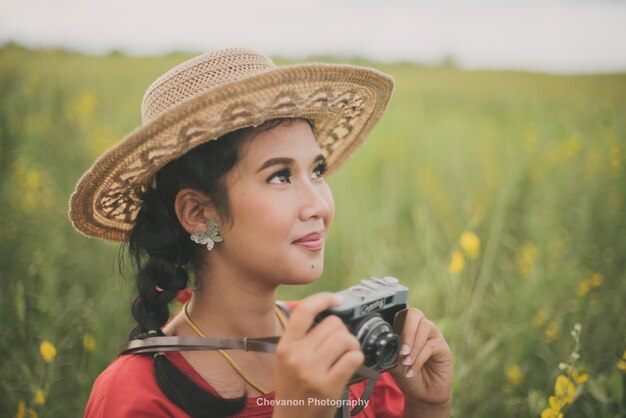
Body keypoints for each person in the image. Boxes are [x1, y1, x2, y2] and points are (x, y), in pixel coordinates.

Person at [69, 48, 453, 418]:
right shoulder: (134, 397)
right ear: (198, 213)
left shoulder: (338, 339)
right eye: (280, 176)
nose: (319, 205)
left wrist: (428, 407)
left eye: (317, 171)